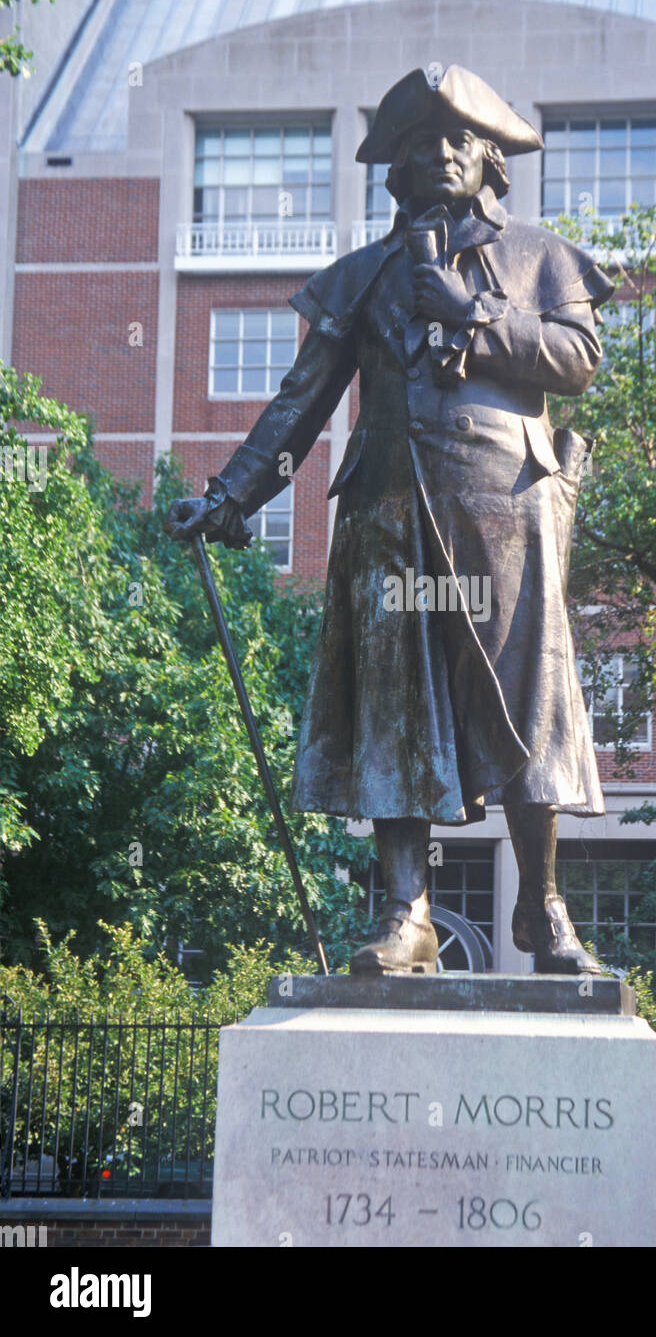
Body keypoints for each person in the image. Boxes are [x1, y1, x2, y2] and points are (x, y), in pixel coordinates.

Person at [166, 65, 614, 976]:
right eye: (418, 144)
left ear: (491, 160)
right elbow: (301, 404)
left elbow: (576, 360)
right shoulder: (361, 277)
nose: (439, 154)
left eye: (457, 141)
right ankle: (406, 913)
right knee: (393, 704)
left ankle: (542, 902)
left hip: (508, 505)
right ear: (394, 171)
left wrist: (474, 314)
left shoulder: (539, 256)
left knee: (526, 697)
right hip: (388, 504)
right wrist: (230, 496)